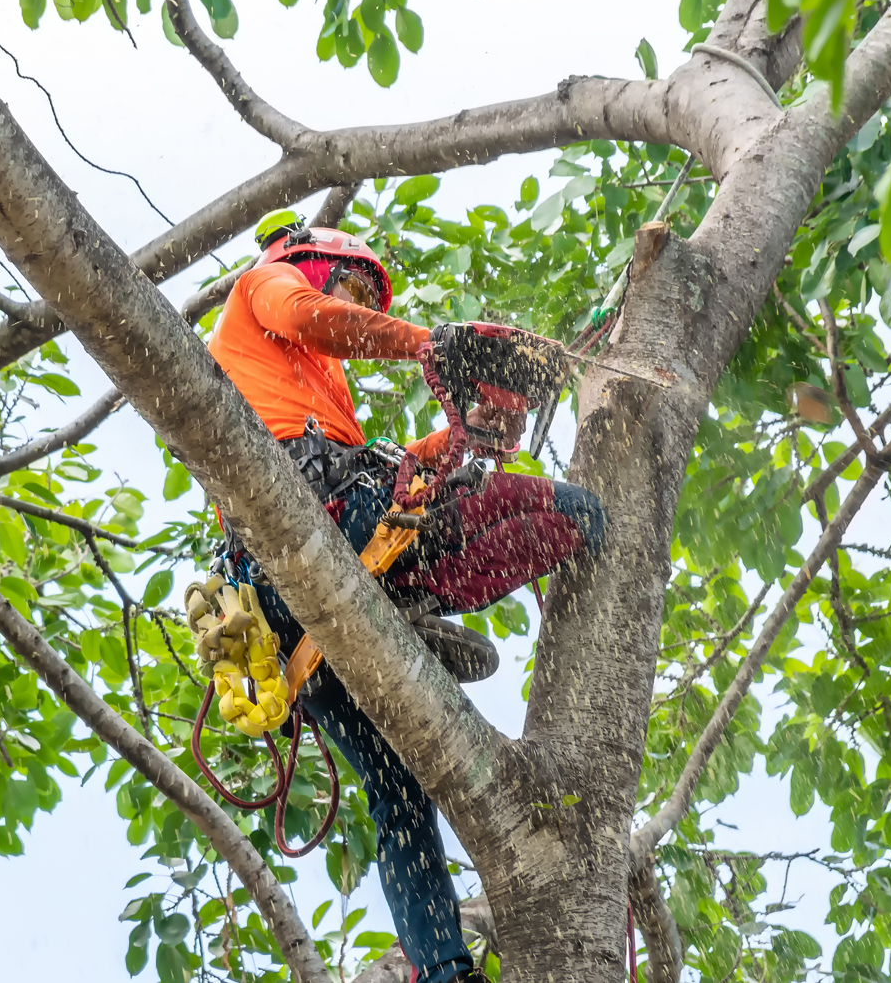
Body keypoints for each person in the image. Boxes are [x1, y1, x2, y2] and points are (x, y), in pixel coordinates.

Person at [206, 221, 605, 983]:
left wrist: (465, 434)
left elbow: (398, 471)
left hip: (313, 602)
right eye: (353, 286)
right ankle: (410, 601)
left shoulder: (312, 392)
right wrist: (434, 344)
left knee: (401, 792)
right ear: (312, 261)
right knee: (574, 512)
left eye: (365, 298)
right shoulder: (265, 287)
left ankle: (441, 970)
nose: (356, 305)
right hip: (316, 528)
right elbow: (312, 317)